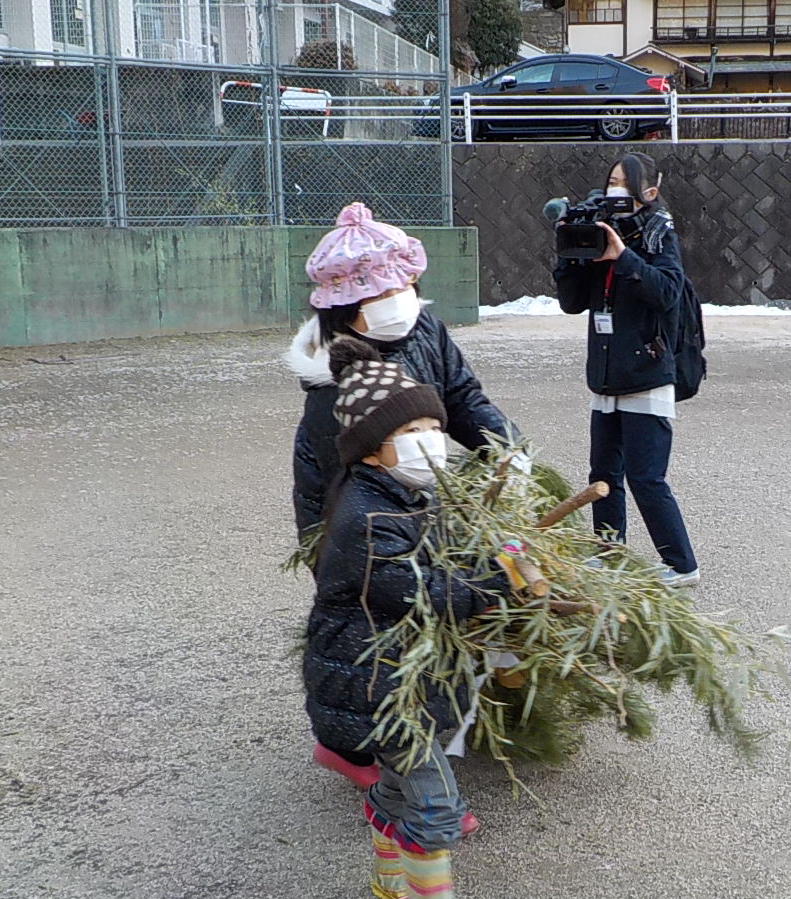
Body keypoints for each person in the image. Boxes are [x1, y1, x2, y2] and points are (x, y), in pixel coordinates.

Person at [287, 201, 522, 791]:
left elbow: (462, 397)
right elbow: (351, 489)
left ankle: (442, 722)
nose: (401, 301)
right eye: (383, 294)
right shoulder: (332, 386)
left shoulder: (425, 330)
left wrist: (505, 446)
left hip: (418, 493)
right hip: (360, 515)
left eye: (406, 287)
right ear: (346, 308)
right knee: (376, 630)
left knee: (435, 615)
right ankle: (363, 750)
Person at [302, 335, 508, 899]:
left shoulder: (406, 494)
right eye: (411, 430)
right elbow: (425, 590)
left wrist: (491, 554)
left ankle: (391, 877)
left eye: (433, 427)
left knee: (397, 784)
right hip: (375, 683)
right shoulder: (368, 517)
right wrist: (496, 581)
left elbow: (444, 560)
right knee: (434, 800)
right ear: (370, 450)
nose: (430, 441)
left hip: (397, 676)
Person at [553, 152, 699, 586]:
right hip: (607, 376)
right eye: (610, 182)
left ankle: (682, 565)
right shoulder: (600, 229)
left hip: (647, 374)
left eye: (623, 184)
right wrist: (569, 253)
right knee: (603, 475)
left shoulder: (658, 233)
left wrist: (623, 257)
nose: (613, 190)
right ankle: (608, 552)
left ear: (648, 193)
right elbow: (572, 303)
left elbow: (669, 292)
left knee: (646, 477)